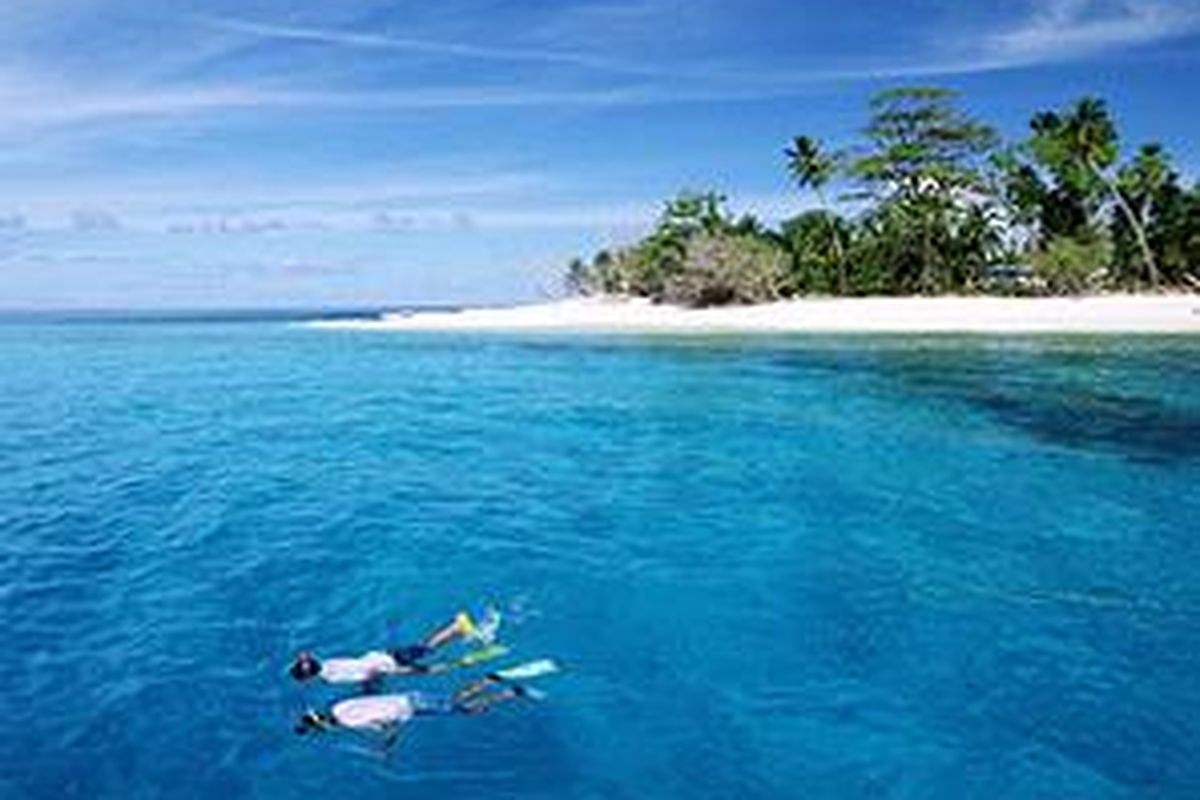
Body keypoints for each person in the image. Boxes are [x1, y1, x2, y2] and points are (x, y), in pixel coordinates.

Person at [294, 675, 529, 746]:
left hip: (413, 707)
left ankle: (509, 693)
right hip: (410, 696)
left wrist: (387, 746)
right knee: (455, 699)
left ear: (323, 725)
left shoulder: (350, 724)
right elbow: (369, 695)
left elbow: (388, 727)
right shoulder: (339, 706)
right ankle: (487, 681)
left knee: (466, 709)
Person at [289, 610, 493, 685]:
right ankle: (459, 631)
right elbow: (308, 658)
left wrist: (399, 672)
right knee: (424, 650)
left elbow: (369, 673)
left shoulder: (331, 678)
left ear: (308, 679)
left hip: (389, 663)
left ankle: (458, 626)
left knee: (427, 653)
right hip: (381, 656)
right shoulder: (326, 664)